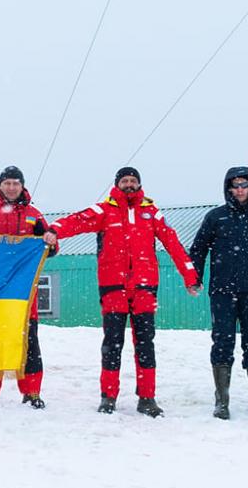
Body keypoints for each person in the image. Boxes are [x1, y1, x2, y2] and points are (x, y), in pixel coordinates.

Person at [51, 166, 200, 417]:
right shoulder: (104, 211)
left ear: (139, 184)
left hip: (144, 286)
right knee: (112, 343)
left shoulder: (151, 213)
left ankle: (147, 398)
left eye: (133, 181)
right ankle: (108, 397)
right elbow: (77, 221)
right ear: (117, 184)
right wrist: (54, 230)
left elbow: (172, 243)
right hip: (113, 287)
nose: (129, 184)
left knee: (145, 344)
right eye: (125, 181)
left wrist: (190, 276)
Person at [187, 165, 248, 420]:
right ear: (228, 188)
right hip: (223, 292)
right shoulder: (216, 217)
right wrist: (193, 278)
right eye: (235, 185)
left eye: (244, 185)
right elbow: (198, 250)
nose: (240, 190)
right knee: (223, 343)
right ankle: (222, 401)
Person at [0, 165, 57, 410]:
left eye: (16, 183)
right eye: (7, 183)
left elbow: (50, 248)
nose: (12, 187)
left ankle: (32, 392)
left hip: (24, 295)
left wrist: (51, 240)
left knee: (29, 345)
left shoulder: (34, 215)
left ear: (22, 186)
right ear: (0, 185)